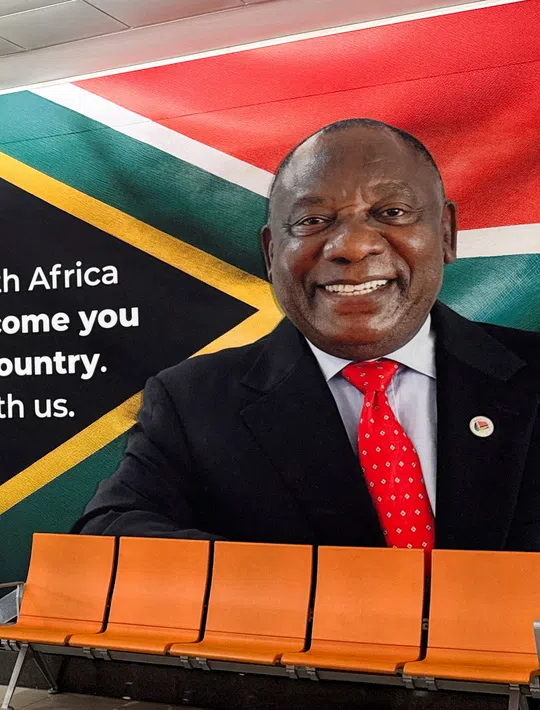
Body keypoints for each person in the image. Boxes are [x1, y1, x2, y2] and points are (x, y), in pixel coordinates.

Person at [76, 118, 540, 551]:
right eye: (312, 221)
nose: (352, 246)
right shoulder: (191, 401)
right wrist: (295, 588)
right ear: (271, 251)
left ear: (446, 234)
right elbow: (108, 537)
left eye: (392, 211)